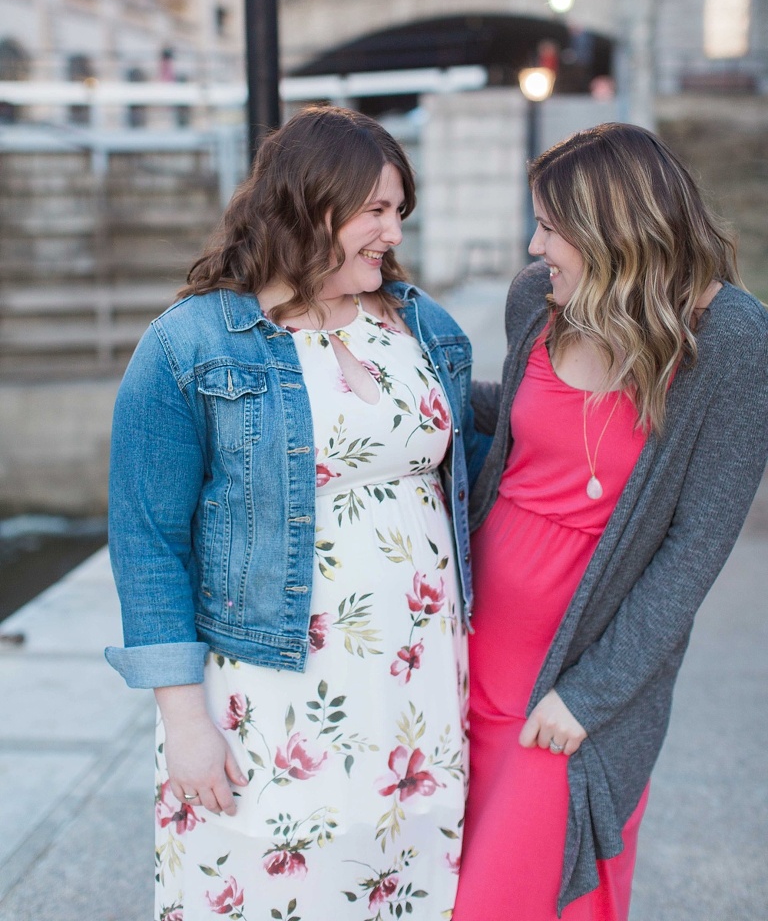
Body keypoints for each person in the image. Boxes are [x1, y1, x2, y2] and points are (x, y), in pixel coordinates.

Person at [106, 106, 483, 921]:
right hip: (272, 690)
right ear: (313, 205)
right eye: (375, 211)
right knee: (277, 886)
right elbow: (146, 540)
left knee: (403, 884)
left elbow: (479, 474)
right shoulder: (192, 343)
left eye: (398, 212)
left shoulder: (425, 326)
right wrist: (183, 721)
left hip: (418, 684)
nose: (393, 232)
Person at [452, 123, 768, 921]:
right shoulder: (540, 301)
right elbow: (522, 424)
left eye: (551, 227)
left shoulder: (731, 340)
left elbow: (696, 548)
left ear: (609, 229)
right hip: (474, 647)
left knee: (506, 903)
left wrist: (591, 695)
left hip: (574, 682)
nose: (535, 245)